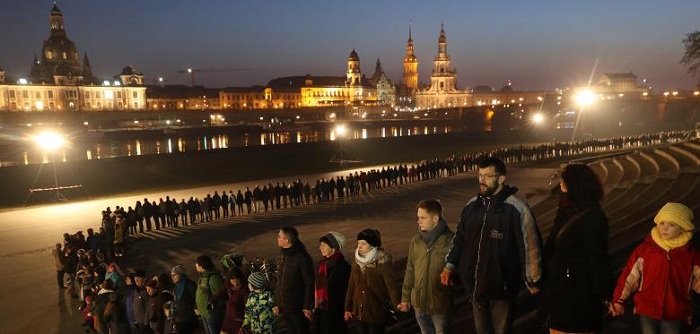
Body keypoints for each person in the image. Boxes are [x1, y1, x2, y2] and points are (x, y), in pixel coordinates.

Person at [440, 157, 543, 334]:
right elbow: (459, 239)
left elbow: (530, 245)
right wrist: (449, 266)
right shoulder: (472, 206)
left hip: (501, 289)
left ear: (502, 178)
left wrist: (533, 279)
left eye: (487, 176)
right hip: (475, 286)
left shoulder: (517, 208)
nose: (481, 180)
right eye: (480, 175)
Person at [540, 162, 612, 333]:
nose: (560, 185)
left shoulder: (592, 216)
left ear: (573, 185)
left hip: (578, 294)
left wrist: (605, 294)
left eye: (563, 181)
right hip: (559, 292)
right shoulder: (567, 209)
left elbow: (598, 259)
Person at [610, 202, 700, 334]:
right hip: (647, 307)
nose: (665, 228)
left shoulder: (690, 255)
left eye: (672, 225)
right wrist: (619, 300)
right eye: (662, 223)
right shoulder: (645, 250)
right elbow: (630, 277)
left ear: (683, 228)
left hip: (674, 310)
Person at [398, 199, 454, 334]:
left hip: (439, 304)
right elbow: (410, 270)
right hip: (419, 304)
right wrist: (405, 298)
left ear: (435, 218)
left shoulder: (451, 241)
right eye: (418, 217)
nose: (418, 221)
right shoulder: (416, 241)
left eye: (422, 218)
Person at [345, 228, 400, 334]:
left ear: (373, 245)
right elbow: (351, 285)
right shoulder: (356, 262)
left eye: (363, 243)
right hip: (359, 312)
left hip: (376, 312)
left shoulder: (383, 263)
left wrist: (397, 304)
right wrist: (347, 307)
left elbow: (391, 286)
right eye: (358, 243)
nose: (359, 246)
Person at [273, 226, 315, 334]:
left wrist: (307, 306)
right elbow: (280, 281)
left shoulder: (302, 257)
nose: (277, 238)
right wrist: (277, 302)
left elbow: (309, 283)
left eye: (279, 236)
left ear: (287, 240)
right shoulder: (283, 254)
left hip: (297, 308)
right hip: (284, 308)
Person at [313, 231, 351, 334]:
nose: (320, 248)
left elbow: (346, 292)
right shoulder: (320, 265)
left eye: (324, 245)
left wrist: (347, 309)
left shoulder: (343, 267)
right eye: (320, 245)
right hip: (320, 311)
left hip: (335, 314)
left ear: (333, 247)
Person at [194, 255, 225, 334]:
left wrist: (213, 311)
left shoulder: (213, 277)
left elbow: (219, 296)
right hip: (204, 312)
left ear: (201, 266)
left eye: (197, 264)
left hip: (211, 314)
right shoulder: (203, 276)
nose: (195, 265)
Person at [169, 265, 198, 334]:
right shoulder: (176, 287)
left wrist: (193, 309)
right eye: (171, 275)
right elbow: (176, 303)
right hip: (179, 319)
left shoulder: (190, 284)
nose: (172, 277)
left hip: (189, 318)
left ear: (181, 274)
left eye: (174, 275)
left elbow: (196, 299)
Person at [220, 267, 248, 334]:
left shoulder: (245, 289)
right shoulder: (228, 284)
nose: (235, 284)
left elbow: (247, 305)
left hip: (239, 319)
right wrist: (212, 300)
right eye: (233, 282)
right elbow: (221, 291)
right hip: (230, 317)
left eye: (237, 282)